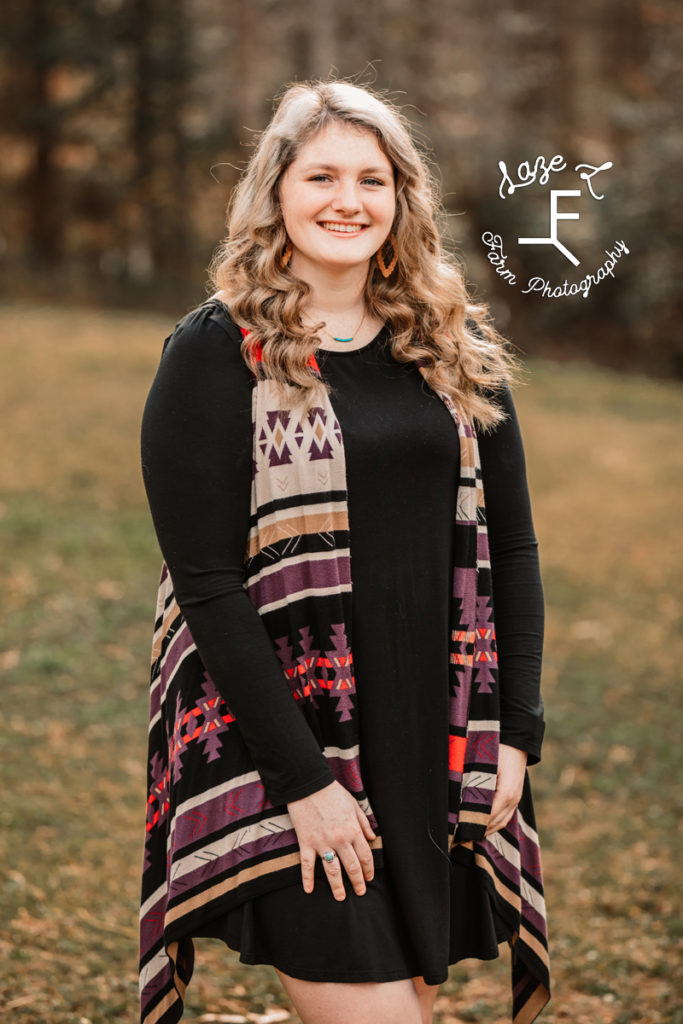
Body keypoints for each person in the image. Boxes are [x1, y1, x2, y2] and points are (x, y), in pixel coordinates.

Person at [138, 80, 550, 1024]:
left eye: (372, 179)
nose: (346, 200)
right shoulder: (216, 352)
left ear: (402, 197)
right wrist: (307, 785)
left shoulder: (453, 345)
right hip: (283, 741)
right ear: (274, 190)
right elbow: (206, 586)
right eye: (320, 174)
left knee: (398, 993)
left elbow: (514, 546)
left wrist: (517, 733)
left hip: (431, 730)